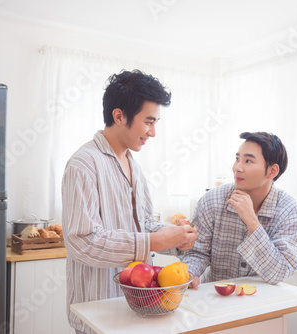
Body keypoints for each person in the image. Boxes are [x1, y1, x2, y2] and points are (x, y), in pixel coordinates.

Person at [62, 70, 197, 334]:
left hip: (135, 308)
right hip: (98, 313)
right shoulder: (84, 164)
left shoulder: (133, 165)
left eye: (155, 123)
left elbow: (143, 223)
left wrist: (176, 239)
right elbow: (84, 241)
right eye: (148, 121)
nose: (153, 132)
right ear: (119, 116)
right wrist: (155, 242)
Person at [181, 131, 297, 288]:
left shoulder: (289, 211)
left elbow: (279, 272)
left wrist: (252, 221)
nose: (237, 167)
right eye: (237, 159)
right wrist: (190, 273)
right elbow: (197, 252)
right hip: (213, 299)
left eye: (248, 161)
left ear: (272, 171)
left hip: (264, 303)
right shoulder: (212, 200)